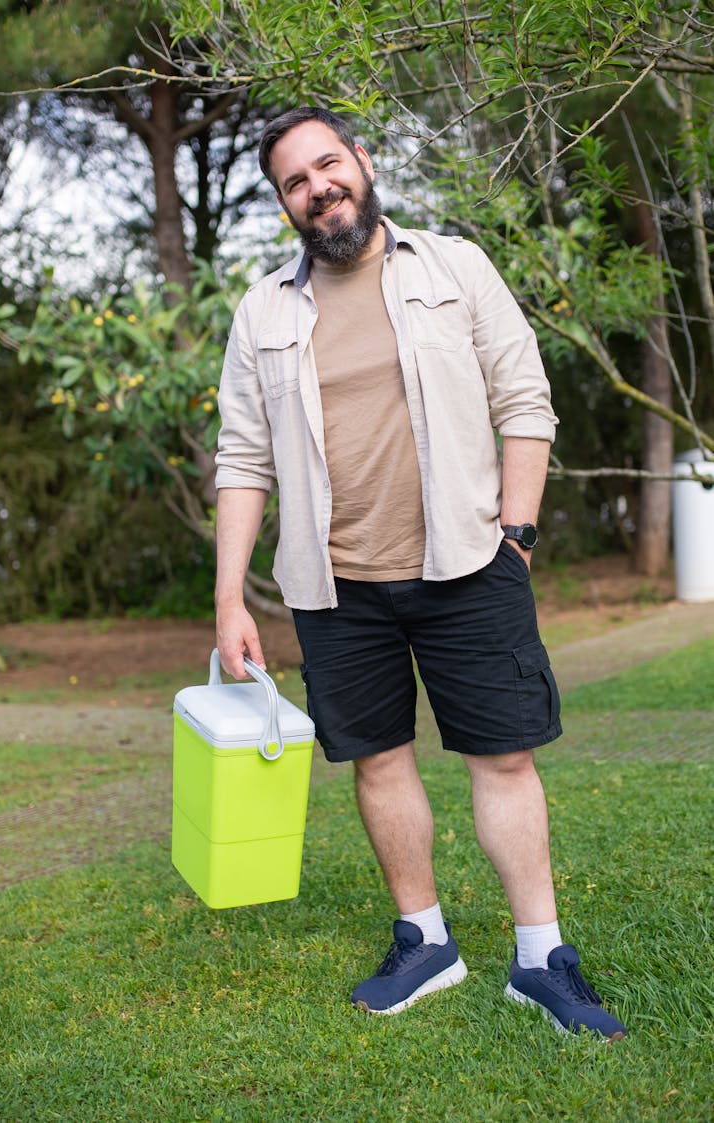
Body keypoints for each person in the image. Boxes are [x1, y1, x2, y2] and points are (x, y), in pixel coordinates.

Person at [213, 106, 627, 1040]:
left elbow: (524, 396)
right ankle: (427, 939)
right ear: (284, 205)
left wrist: (516, 532)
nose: (318, 188)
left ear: (363, 162)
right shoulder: (262, 310)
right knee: (377, 760)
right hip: (335, 584)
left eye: (329, 164)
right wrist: (229, 595)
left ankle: (540, 956)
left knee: (505, 757)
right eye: (294, 181)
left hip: (468, 563)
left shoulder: (454, 267)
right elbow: (243, 457)